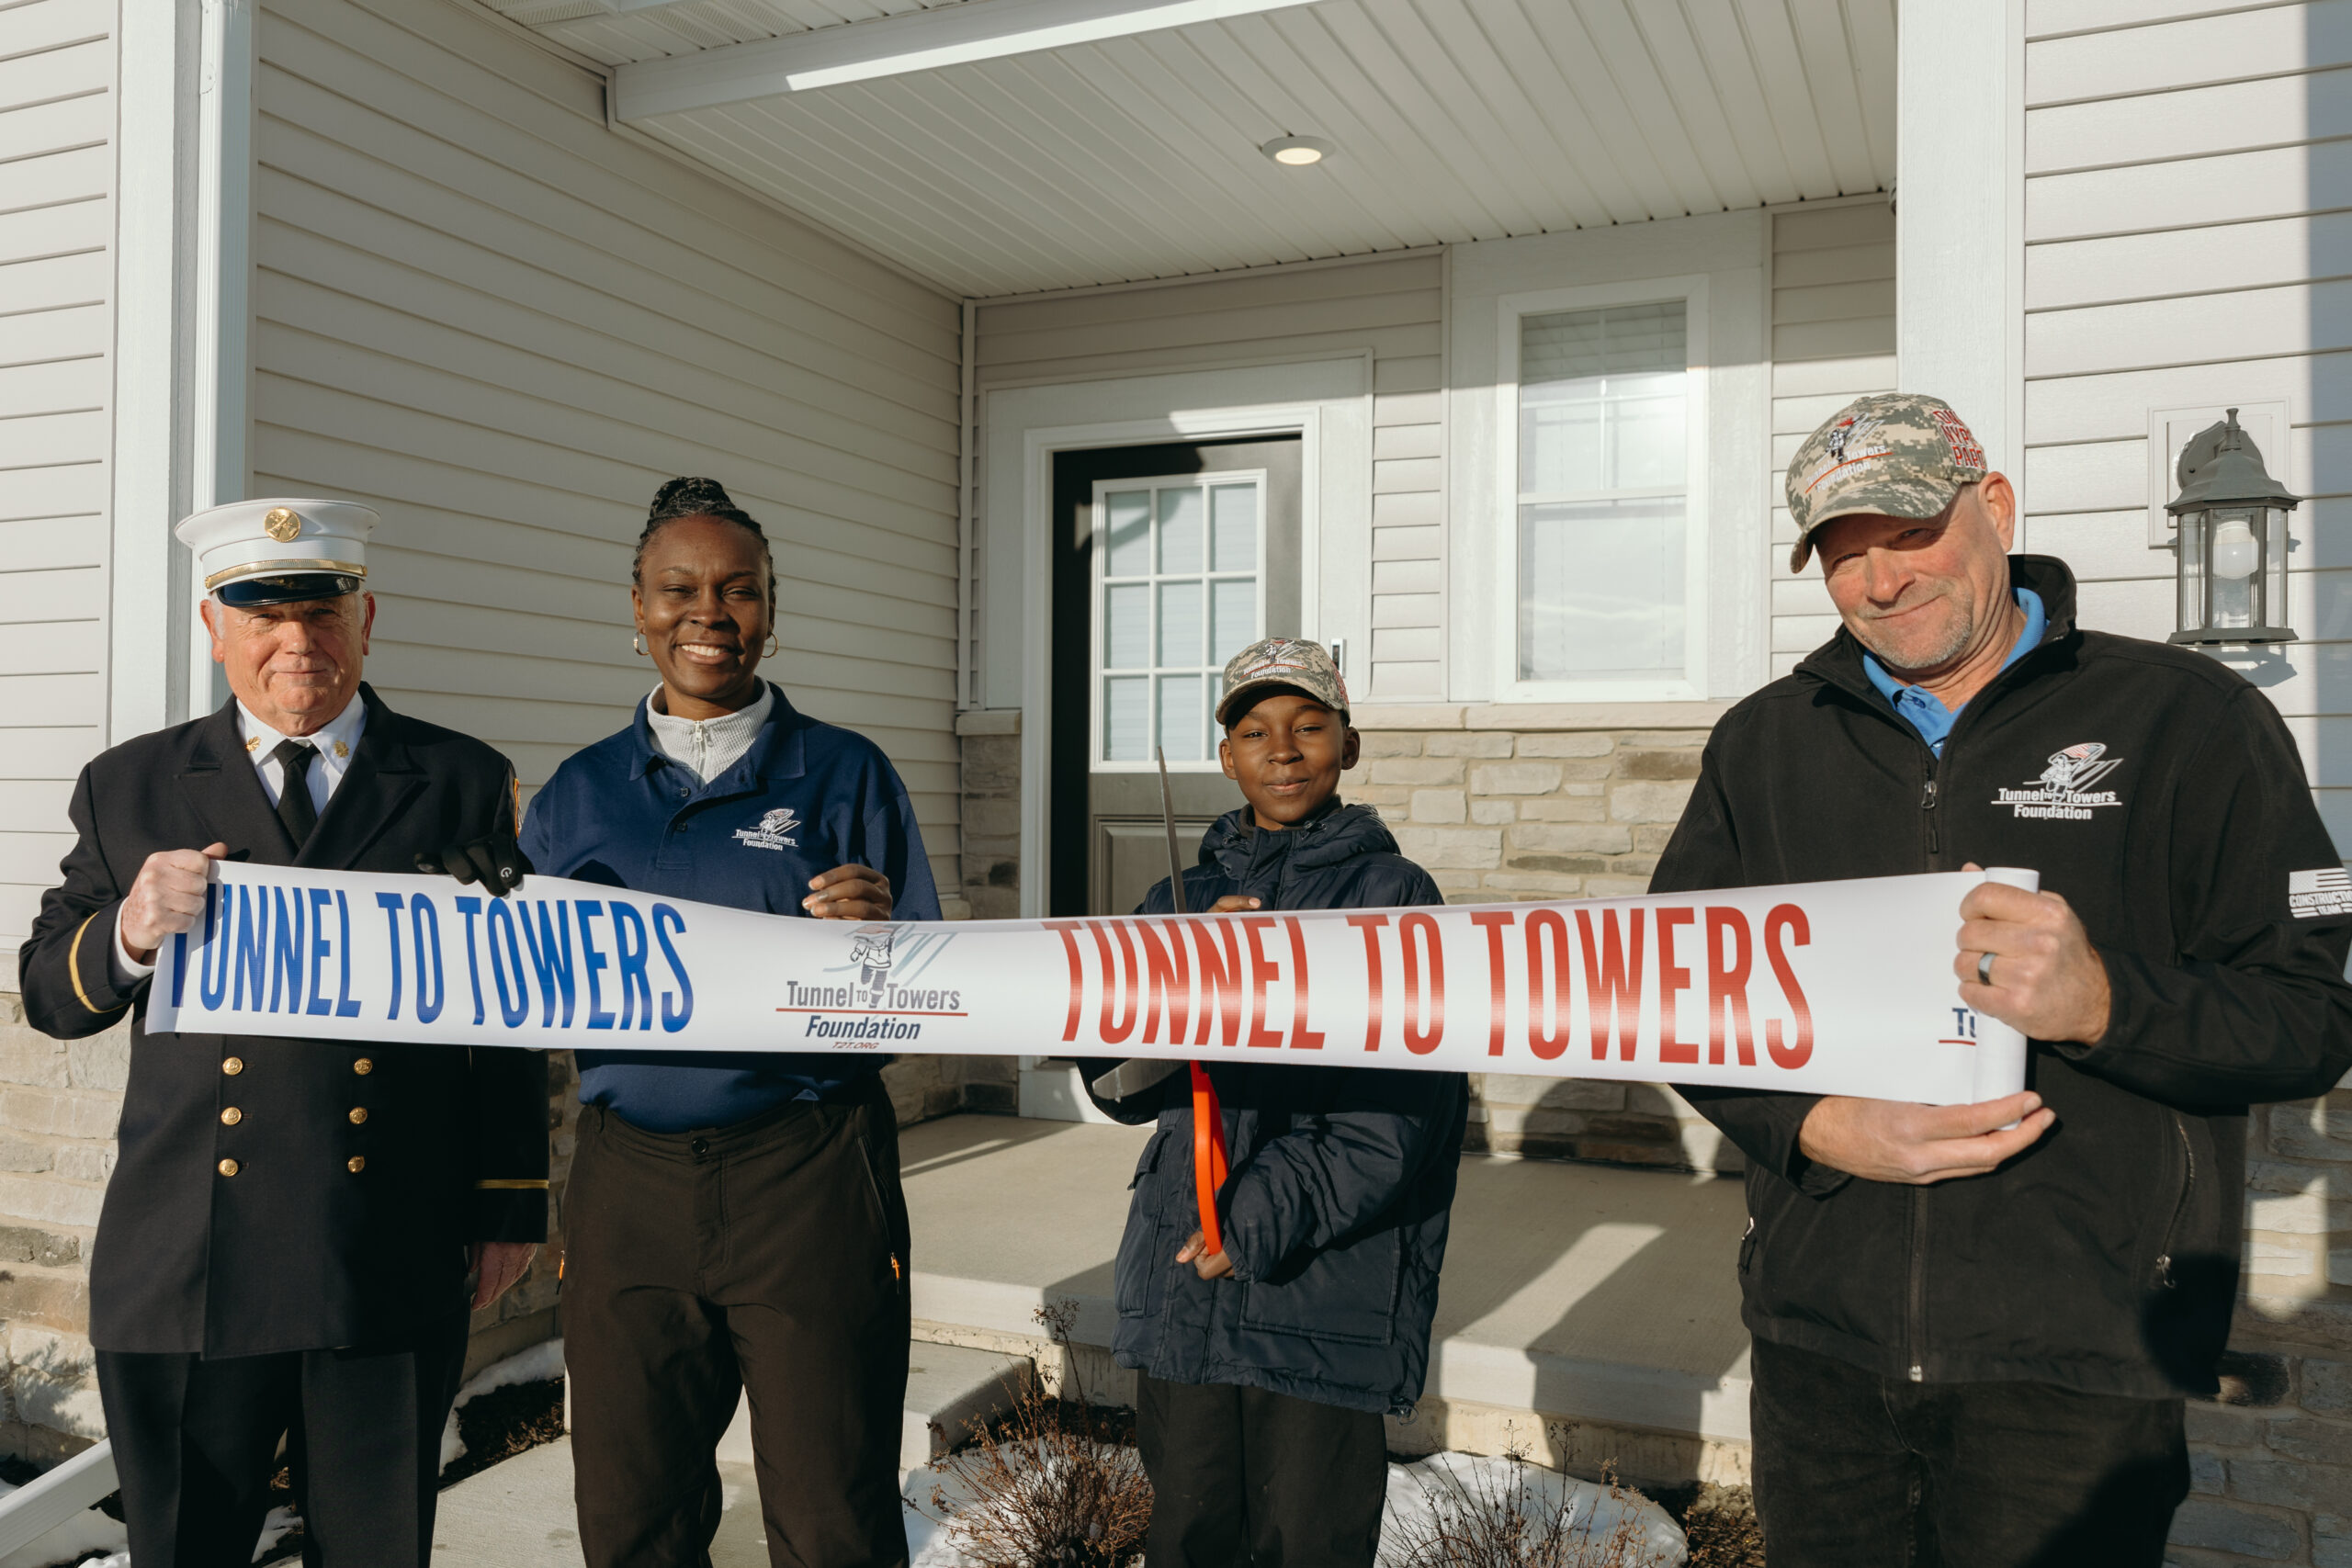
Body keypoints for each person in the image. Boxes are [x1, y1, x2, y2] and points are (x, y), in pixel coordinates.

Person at [1653, 393, 2352, 1566]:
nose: (1879, 584)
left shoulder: (2188, 720)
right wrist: (1809, 1125)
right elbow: (1679, 999)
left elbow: (2309, 1018)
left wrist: (2108, 1005)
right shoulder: (1766, 743)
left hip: (2080, 1353)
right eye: (1843, 556)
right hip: (1822, 1345)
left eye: (1909, 535)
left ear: (1994, 509)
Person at [17, 499, 547, 1568]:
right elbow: (48, 994)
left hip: (384, 1243)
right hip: (186, 1254)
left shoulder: (459, 778)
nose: (296, 641)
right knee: (184, 1550)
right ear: (213, 626)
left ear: (367, 620)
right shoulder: (130, 784)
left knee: (375, 1551)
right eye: (262, 616)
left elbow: (508, 1014)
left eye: (322, 611)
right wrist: (126, 930)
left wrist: (508, 1202)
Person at [519, 478, 937, 1568]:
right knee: (630, 1509)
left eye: (738, 590)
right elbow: (510, 987)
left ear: (770, 610)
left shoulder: (846, 773)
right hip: (628, 1184)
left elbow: (924, 998)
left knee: (830, 1509)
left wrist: (877, 949)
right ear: (636, 606)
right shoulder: (577, 795)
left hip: (805, 1172)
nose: (710, 612)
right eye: (680, 588)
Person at [1080, 638, 1467, 1568]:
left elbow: (1398, 1112)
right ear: (1226, 757)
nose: (1281, 750)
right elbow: (1116, 1078)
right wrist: (1180, 978)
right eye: (1253, 731)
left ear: (1348, 744)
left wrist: (1258, 1214)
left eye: (1307, 726)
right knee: (1189, 1533)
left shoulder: (1393, 896)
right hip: (1184, 1289)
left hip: (1318, 1297)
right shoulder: (1177, 899)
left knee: (1309, 1540)